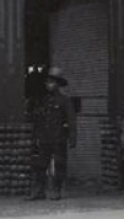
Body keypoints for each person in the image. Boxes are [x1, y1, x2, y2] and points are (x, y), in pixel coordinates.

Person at [27, 67, 76, 201]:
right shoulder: (43, 100)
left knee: (60, 164)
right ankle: (39, 191)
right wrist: (35, 136)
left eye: (52, 82)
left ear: (58, 84)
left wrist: (72, 137)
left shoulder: (65, 100)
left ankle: (57, 190)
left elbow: (71, 119)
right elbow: (37, 119)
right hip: (44, 137)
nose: (49, 85)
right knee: (40, 164)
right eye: (47, 82)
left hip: (59, 137)